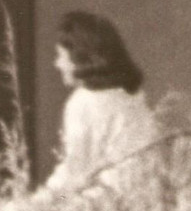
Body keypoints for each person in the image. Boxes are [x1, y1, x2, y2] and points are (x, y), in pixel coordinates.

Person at [42, 11, 158, 198]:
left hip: (103, 202)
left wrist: (37, 201)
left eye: (61, 56)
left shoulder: (83, 102)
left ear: (79, 57)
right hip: (143, 200)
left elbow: (73, 172)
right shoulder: (132, 97)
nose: (57, 64)